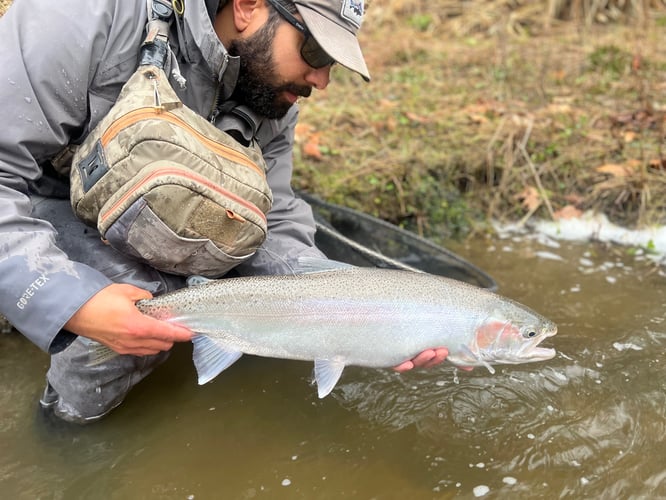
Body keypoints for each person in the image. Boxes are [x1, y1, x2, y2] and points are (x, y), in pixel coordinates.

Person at [0, 0, 450, 424]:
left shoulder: (268, 88)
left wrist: (344, 307)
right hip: (34, 201)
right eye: (314, 50)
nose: (322, 79)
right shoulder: (85, 16)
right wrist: (71, 303)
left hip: (153, 217)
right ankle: (64, 430)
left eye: (333, 62)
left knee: (203, 292)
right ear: (248, 6)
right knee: (143, 296)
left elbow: (272, 214)